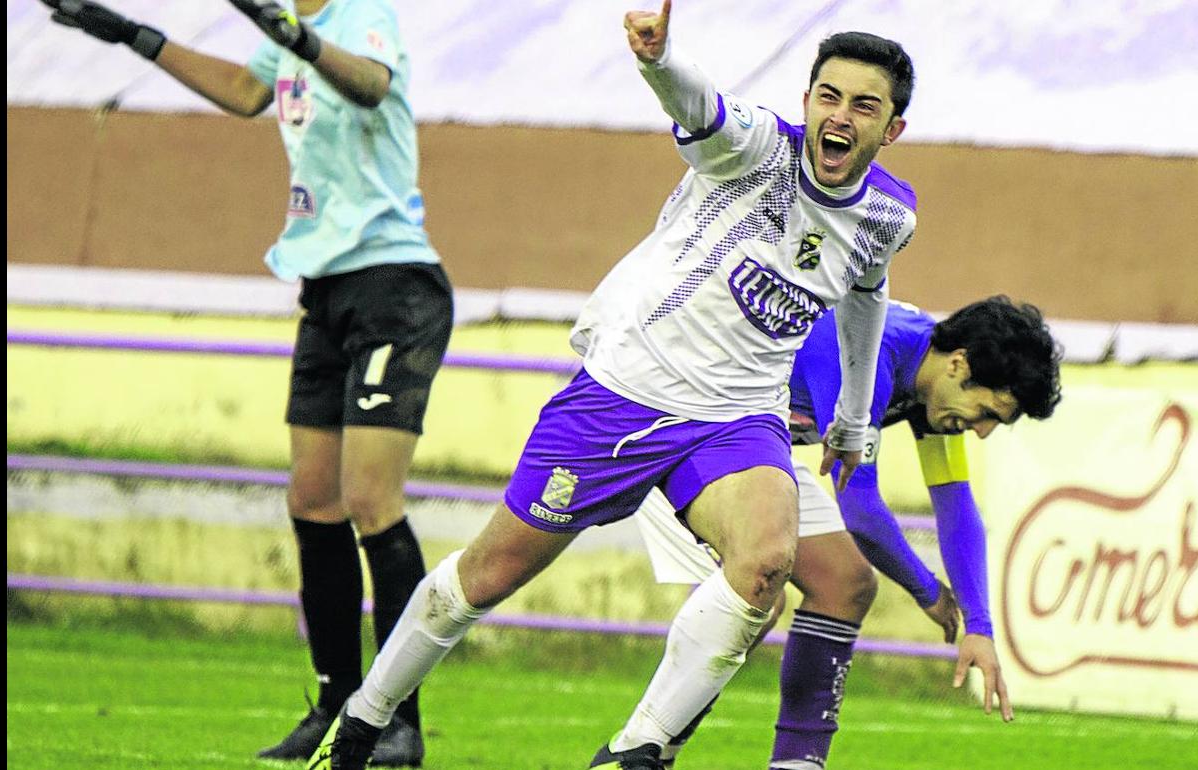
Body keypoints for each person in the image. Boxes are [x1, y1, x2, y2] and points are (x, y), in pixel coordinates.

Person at [312, 2, 917, 768]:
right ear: (806, 102)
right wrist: (659, 61)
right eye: (828, 96)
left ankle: (635, 752)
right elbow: (704, 108)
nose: (840, 116)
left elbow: (868, 295)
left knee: (765, 562)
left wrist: (856, 423)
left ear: (891, 129)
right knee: (487, 575)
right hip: (624, 395)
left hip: (736, 418)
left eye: (865, 106)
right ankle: (363, 721)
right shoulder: (758, 151)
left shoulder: (887, 216)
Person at [40, 1, 449, 765]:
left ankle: (396, 720)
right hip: (324, 284)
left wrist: (299, 38)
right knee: (312, 500)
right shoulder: (284, 35)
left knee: (369, 501)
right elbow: (244, 89)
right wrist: (133, 36)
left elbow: (369, 83)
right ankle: (334, 704)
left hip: (396, 283)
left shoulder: (362, 17)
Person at [634, 296, 1063, 768]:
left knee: (846, 583)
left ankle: (795, 765)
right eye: (987, 412)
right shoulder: (868, 352)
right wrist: (927, 591)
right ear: (960, 365)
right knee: (759, 588)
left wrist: (979, 627)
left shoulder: (934, 382)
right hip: (676, 424)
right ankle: (642, 749)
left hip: (748, 444)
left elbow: (956, 504)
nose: (981, 432)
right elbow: (859, 508)